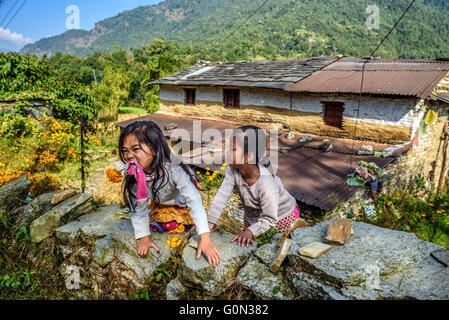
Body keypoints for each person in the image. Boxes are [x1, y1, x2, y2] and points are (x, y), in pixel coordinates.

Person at [119, 120, 221, 267]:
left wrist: (205, 238)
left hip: (181, 205)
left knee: (174, 223)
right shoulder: (134, 174)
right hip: (160, 205)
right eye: (125, 150)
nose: (129, 156)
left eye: (135, 149)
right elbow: (139, 207)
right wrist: (143, 236)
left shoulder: (174, 168)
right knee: (157, 222)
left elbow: (194, 201)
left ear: (154, 149)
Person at [207, 125, 300, 247]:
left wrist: (250, 231)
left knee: (272, 249)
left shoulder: (266, 184)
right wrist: (211, 221)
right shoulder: (233, 170)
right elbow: (222, 196)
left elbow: (270, 218)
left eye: (233, 149)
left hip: (280, 218)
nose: (228, 152)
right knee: (250, 245)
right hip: (254, 218)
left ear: (248, 157)